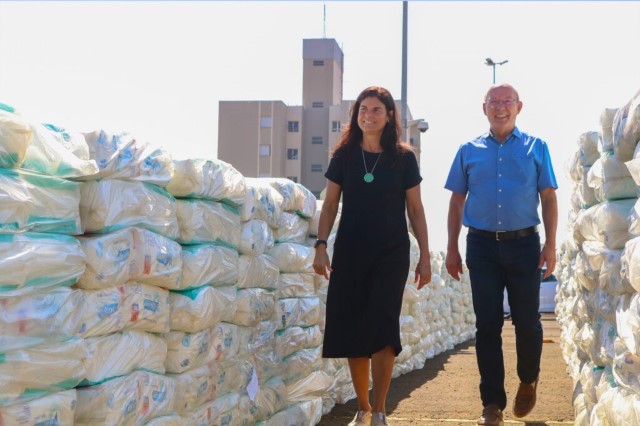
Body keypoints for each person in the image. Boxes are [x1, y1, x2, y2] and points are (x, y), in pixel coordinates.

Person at [313, 86, 431, 426]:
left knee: (382, 326)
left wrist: (425, 255)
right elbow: (331, 203)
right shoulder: (344, 156)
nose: (368, 114)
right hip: (349, 250)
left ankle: (380, 410)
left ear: (389, 115)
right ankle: (362, 408)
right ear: (356, 114)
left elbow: (416, 209)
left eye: (376, 109)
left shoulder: (404, 158)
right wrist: (321, 245)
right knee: (352, 327)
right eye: (363, 109)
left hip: (391, 253)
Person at [444, 83, 558, 426]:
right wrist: (451, 248)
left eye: (507, 101)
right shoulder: (468, 150)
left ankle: (528, 377)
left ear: (519, 107)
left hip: (524, 245)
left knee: (527, 321)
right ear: (484, 108)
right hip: (481, 246)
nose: (500, 107)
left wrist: (550, 245)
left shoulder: (537, 148)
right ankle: (491, 403)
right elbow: (456, 202)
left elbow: (549, 198)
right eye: (494, 102)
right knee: (487, 325)